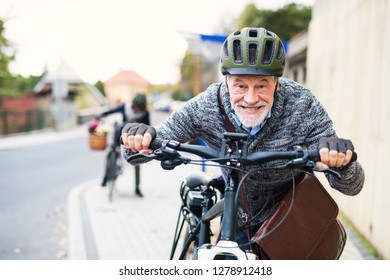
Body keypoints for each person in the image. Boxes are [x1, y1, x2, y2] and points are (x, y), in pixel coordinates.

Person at [120, 27, 364, 249]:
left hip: (290, 217)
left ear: (277, 83)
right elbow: (140, 151)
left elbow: (353, 185)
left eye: (261, 86)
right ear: (226, 82)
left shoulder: (302, 104)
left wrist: (343, 162)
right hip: (237, 214)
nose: (250, 98)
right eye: (240, 86)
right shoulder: (207, 105)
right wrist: (140, 138)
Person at [100, 92, 150, 197]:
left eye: (139, 109)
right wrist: (101, 115)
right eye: (135, 107)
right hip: (120, 136)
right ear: (132, 104)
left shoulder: (145, 113)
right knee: (110, 151)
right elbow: (112, 111)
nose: (136, 110)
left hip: (134, 141)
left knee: (137, 163)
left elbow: (148, 128)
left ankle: (137, 188)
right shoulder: (125, 107)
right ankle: (105, 177)